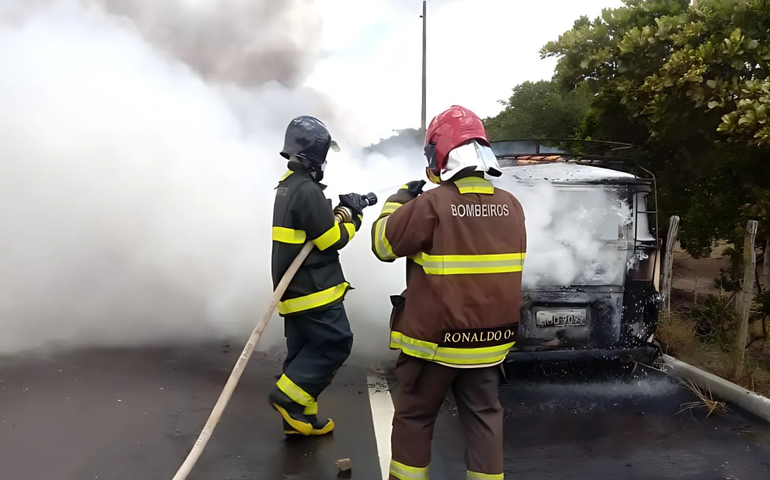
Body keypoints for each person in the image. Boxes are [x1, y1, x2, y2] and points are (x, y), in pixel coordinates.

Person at [371, 105, 527, 479]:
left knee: (415, 418)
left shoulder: (431, 204)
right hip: (490, 346)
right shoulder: (512, 206)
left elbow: (382, 245)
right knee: (485, 419)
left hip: (434, 347)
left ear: (439, 154)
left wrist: (398, 202)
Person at [268, 115, 368, 436]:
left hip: (293, 291)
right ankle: (287, 399)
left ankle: (299, 420)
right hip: (314, 290)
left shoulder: (287, 186)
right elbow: (331, 240)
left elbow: (314, 228)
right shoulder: (307, 191)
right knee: (335, 343)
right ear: (317, 154)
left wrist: (342, 210)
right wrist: (355, 219)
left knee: (302, 351)